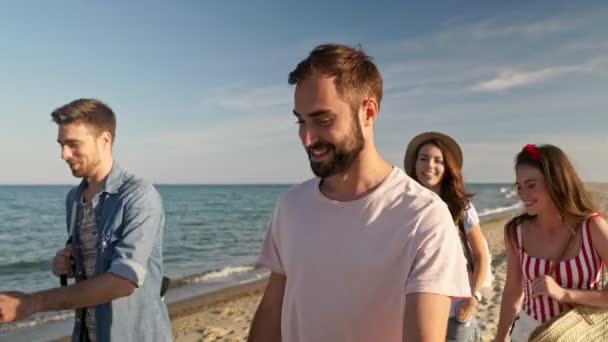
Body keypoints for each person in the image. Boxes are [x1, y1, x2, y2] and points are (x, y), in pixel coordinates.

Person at [247, 44, 470, 342]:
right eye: (301, 121)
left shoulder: (424, 218)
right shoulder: (290, 206)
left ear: (368, 112)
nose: (307, 137)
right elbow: (272, 311)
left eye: (323, 120)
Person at [0, 99, 172, 342]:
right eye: (61, 144)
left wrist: (32, 303)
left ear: (105, 140)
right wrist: (66, 264)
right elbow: (91, 263)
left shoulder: (139, 196)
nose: (64, 154)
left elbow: (124, 280)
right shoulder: (74, 198)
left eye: (73, 144)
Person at [495, 144, 608, 341]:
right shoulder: (516, 231)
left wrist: (565, 294)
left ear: (556, 182)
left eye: (531, 185)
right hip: (530, 333)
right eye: (519, 186)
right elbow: (513, 290)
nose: (523, 194)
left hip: (581, 332)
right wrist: (500, 337)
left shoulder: (592, 228)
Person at [404, 132, 493, 342]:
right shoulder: (404, 207)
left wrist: (474, 297)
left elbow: (481, 255)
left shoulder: (461, 208)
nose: (429, 166)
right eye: (423, 158)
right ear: (415, 165)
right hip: (416, 307)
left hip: (456, 308)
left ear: (447, 168)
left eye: (438, 161)